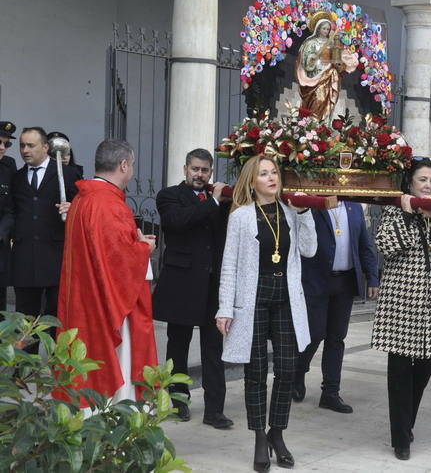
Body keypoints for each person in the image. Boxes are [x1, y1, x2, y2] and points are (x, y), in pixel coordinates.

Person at [215, 154, 316, 472]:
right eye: (264, 174)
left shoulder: (291, 211)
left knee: (287, 369)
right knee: (256, 372)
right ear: (252, 181)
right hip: (253, 298)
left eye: (274, 172)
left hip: (286, 297)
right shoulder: (241, 216)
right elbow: (229, 263)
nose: (271, 177)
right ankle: (260, 438)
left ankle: (278, 433)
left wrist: (305, 214)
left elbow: (309, 249)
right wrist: (224, 308)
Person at [371, 157, 431, 461]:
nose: (428, 185)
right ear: (410, 182)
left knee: (427, 364)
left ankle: (405, 422)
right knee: (399, 370)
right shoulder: (393, 211)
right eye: (423, 179)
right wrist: (411, 215)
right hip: (400, 301)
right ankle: (401, 438)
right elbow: (387, 245)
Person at [56, 139, 158, 404]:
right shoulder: (109, 205)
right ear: (124, 165)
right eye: (132, 165)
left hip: (84, 298)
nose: (132, 171)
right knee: (114, 365)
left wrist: (134, 245)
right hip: (108, 307)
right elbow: (118, 261)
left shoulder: (82, 199)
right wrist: (144, 248)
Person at [152, 148, 232, 428]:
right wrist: (212, 200)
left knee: (213, 347)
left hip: (213, 285)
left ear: (211, 172)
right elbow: (177, 222)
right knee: (178, 346)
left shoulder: (223, 201)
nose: (199, 175)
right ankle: (178, 403)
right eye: (195, 169)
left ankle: (214, 410)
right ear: (185, 169)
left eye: (205, 170)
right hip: (182, 283)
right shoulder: (169, 195)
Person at [293, 200, 379, 413]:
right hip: (316, 280)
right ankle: (298, 370)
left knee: (337, 337)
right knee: (315, 333)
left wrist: (373, 276)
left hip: (345, 281)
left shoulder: (354, 207)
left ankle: (330, 392)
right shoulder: (314, 204)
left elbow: (364, 244)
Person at [11, 127, 78, 351]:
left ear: (46, 147)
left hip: (55, 256)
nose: (25, 150)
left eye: (30, 145)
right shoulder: (18, 177)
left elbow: (85, 209)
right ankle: (25, 368)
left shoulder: (67, 175)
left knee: (55, 315)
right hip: (25, 256)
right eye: (22, 145)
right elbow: (13, 212)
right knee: (25, 317)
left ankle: (55, 366)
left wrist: (74, 208)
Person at [296, 10, 357, 121]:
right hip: (314, 76)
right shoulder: (311, 43)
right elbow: (305, 61)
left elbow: (337, 60)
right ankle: (311, 126)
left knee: (326, 101)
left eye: (328, 29)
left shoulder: (332, 43)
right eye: (324, 28)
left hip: (329, 75)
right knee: (317, 99)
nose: (326, 31)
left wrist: (340, 63)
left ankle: (323, 127)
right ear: (318, 28)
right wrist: (312, 59)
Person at [0, 121, 15, 314]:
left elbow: (12, 207)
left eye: (6, 143)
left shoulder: (9, 166)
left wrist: (2, 232)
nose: (2, 148)